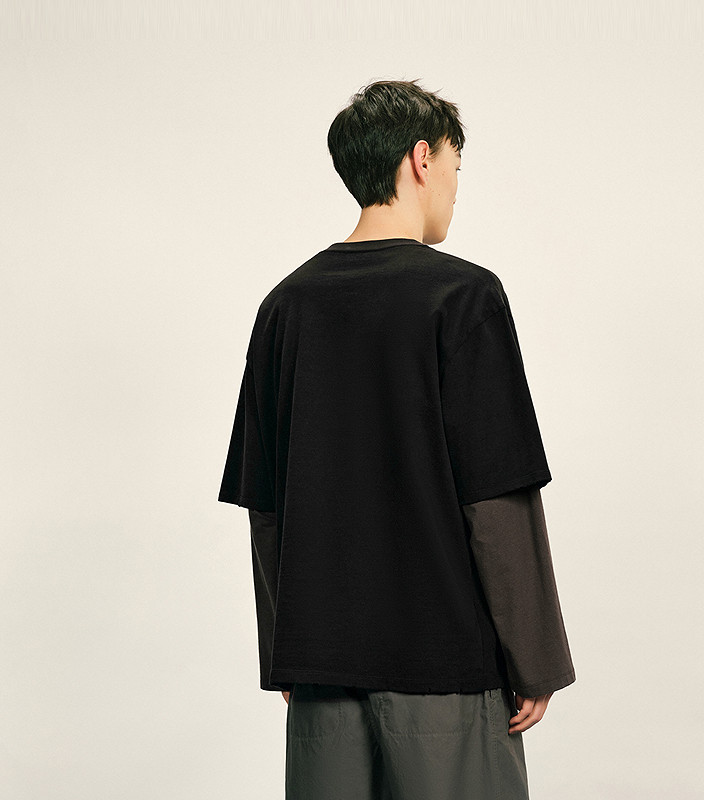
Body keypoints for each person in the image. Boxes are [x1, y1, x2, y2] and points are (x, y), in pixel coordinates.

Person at [218, 78, 575, 799]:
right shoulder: (464, 297)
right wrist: (534, 659)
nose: (455, 188)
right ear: (421, 158)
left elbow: (265, 505)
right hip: (446, 676)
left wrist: (289, 651)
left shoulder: (284, 307)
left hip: (321, 678)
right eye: (455, 166)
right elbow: (496, 497)